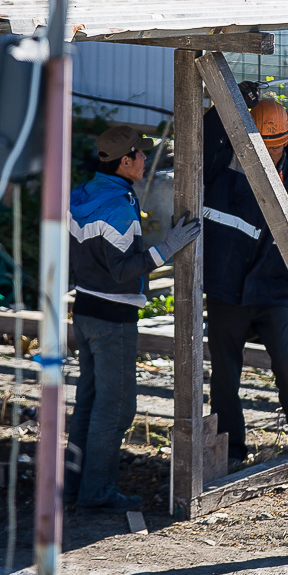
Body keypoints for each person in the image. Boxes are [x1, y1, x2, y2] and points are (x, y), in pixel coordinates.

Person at [65, 125, 201, 511]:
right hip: (112, 320)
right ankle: (98, 493)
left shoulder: (85, 192)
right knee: (117, 409)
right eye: (141, 155)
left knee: (89, 404)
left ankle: (74, 487)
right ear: (125, 161)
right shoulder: (120, 210)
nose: (146, 160)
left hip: (86, 311)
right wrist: (169, 248)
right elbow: (124, 270)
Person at [203, 84, 288, 465]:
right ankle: (230, 448)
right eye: (265, 144)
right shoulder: (224, 164)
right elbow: (202, 139)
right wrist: (226, 103)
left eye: (277, 144)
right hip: (227, 288)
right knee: (225, 373)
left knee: (287, 363)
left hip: (271, 288)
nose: (272, 151)